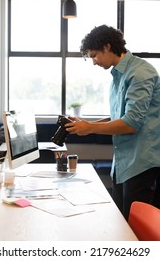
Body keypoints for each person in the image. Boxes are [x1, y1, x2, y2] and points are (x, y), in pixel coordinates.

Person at [65, 24, 160, 220]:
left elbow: (131, 123)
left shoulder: (140, 73)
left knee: (136, 231)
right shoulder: (118, 75)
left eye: (94, 55)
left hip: (141, 163)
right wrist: (84, 125)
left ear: (107, 47)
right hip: (123, 162)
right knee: (122, 225)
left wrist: (90, 128)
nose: (93, 62)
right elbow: (119, 116)